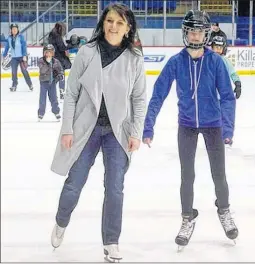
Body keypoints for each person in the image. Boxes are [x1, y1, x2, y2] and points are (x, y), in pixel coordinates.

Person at [49, 3, 147, 262]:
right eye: (110, 21)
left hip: (118, 132)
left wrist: (136, 132)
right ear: (103, 23)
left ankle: (111, 241)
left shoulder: (134, 59)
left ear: (128, 29)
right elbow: (71, 94)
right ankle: (61, 222)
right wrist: (68, 128)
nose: (113, 26)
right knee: (74, 182)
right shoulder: (86, 52)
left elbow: (138, 99)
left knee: (114, 188)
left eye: (119, 23)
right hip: (87, 128)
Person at [142, 10, 238, 248]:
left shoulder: (216, 62)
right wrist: (148, 126)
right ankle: (187, 217)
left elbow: (227, 96)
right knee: (187, 175)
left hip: (213, 125)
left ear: (206, 34)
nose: (195, 36)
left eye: (200, 31)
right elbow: (158, 94)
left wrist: (227, 129)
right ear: (185, 33)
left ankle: (224, 211)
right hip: (186, 125)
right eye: (191, 31)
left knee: (219, 174)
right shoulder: (176, 62)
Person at [1, 23, 33, 92]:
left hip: (22, 58)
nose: (14, 30)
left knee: (24, 71)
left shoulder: (21, 37)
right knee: (14, 72)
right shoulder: (9, 38)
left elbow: (24, 46)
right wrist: (3, 56)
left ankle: (30, 84)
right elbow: (7, 47)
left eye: (16, 29)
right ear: (11, 30)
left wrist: (24, 55)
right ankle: (14, 85)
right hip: (14, 58)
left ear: (18, 29)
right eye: (13, 29)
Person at [211, 35, 242, 102]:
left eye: (220, 47)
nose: (218, 49)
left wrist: (238, 83)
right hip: (209, 97)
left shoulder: (226, 61)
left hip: (223, 97)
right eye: (216, 47)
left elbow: (233, 74)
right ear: (212, 47)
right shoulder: (207, 60)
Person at [37, 44, 63, 122]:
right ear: (44, 53)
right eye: (47, 52)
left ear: (53, 53)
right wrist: (48, 64)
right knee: (42, 99)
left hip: (52, 83)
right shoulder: (41, 61)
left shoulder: (56, 61)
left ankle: (56, 112)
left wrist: (59, 75)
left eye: (50, 52)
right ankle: (41, 113)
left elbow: (60, 70)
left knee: (54, 98)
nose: (48, 54)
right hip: (44, 83)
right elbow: (42, 70)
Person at [48, 22, 74, 99]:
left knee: (56, 76)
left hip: (54, 58)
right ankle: (62, 93)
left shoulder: (51, 35)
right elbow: (62, 47)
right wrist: (71, 46)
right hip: (59, 58)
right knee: (61, 76)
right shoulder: (57, 36)